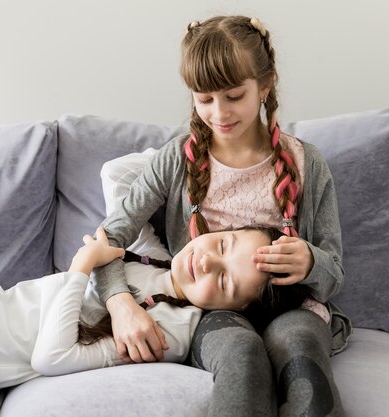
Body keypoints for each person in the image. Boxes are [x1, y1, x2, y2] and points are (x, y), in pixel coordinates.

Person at [95, 15, 351, 417]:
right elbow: (108, 239)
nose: (219, 113)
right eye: (205, 99)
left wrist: (310, 261)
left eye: (234, 96)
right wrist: (120, 305)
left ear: (264, 86)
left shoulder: (305, 163)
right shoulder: (177, 160)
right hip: (210, 315)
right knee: (241, 354)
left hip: (292, 310)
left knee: (300, 349)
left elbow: (334, 273)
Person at [0, 226, 305, 392]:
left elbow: (51, 359)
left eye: (223, 279)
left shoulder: (169, 330)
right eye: (221, 243)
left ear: (236, 309)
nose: (206, 260)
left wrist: (83, 266)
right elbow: (125, 174)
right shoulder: (161, 261)